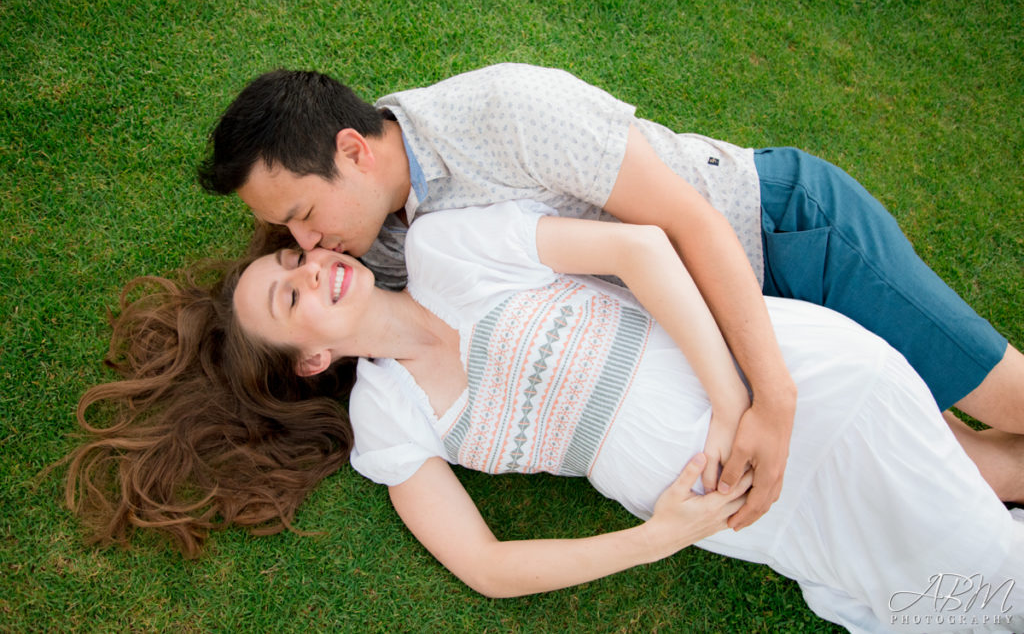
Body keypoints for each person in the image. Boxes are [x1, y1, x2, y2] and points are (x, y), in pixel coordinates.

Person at [68, 201, 1022, 632]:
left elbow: (644, 249)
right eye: (291, 299)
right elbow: (487, 566)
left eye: (289, 260)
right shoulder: (392, 422)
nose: (310, 266)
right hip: (730, 508)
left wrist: (738, 404)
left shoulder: (449, 245)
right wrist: (663, 536)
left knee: (984, 585)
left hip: (781, 379)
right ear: (314, 357)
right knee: (953, 570)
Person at [197, 64, 1024, 524]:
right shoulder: (368, 245)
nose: (306, 247)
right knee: (964, 469)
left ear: (354, 149)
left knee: (1009, 398)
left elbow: (689, 222)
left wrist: (765, 396)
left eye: (303, 218)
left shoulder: (508, 111)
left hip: (779, 239)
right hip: (699, 335)